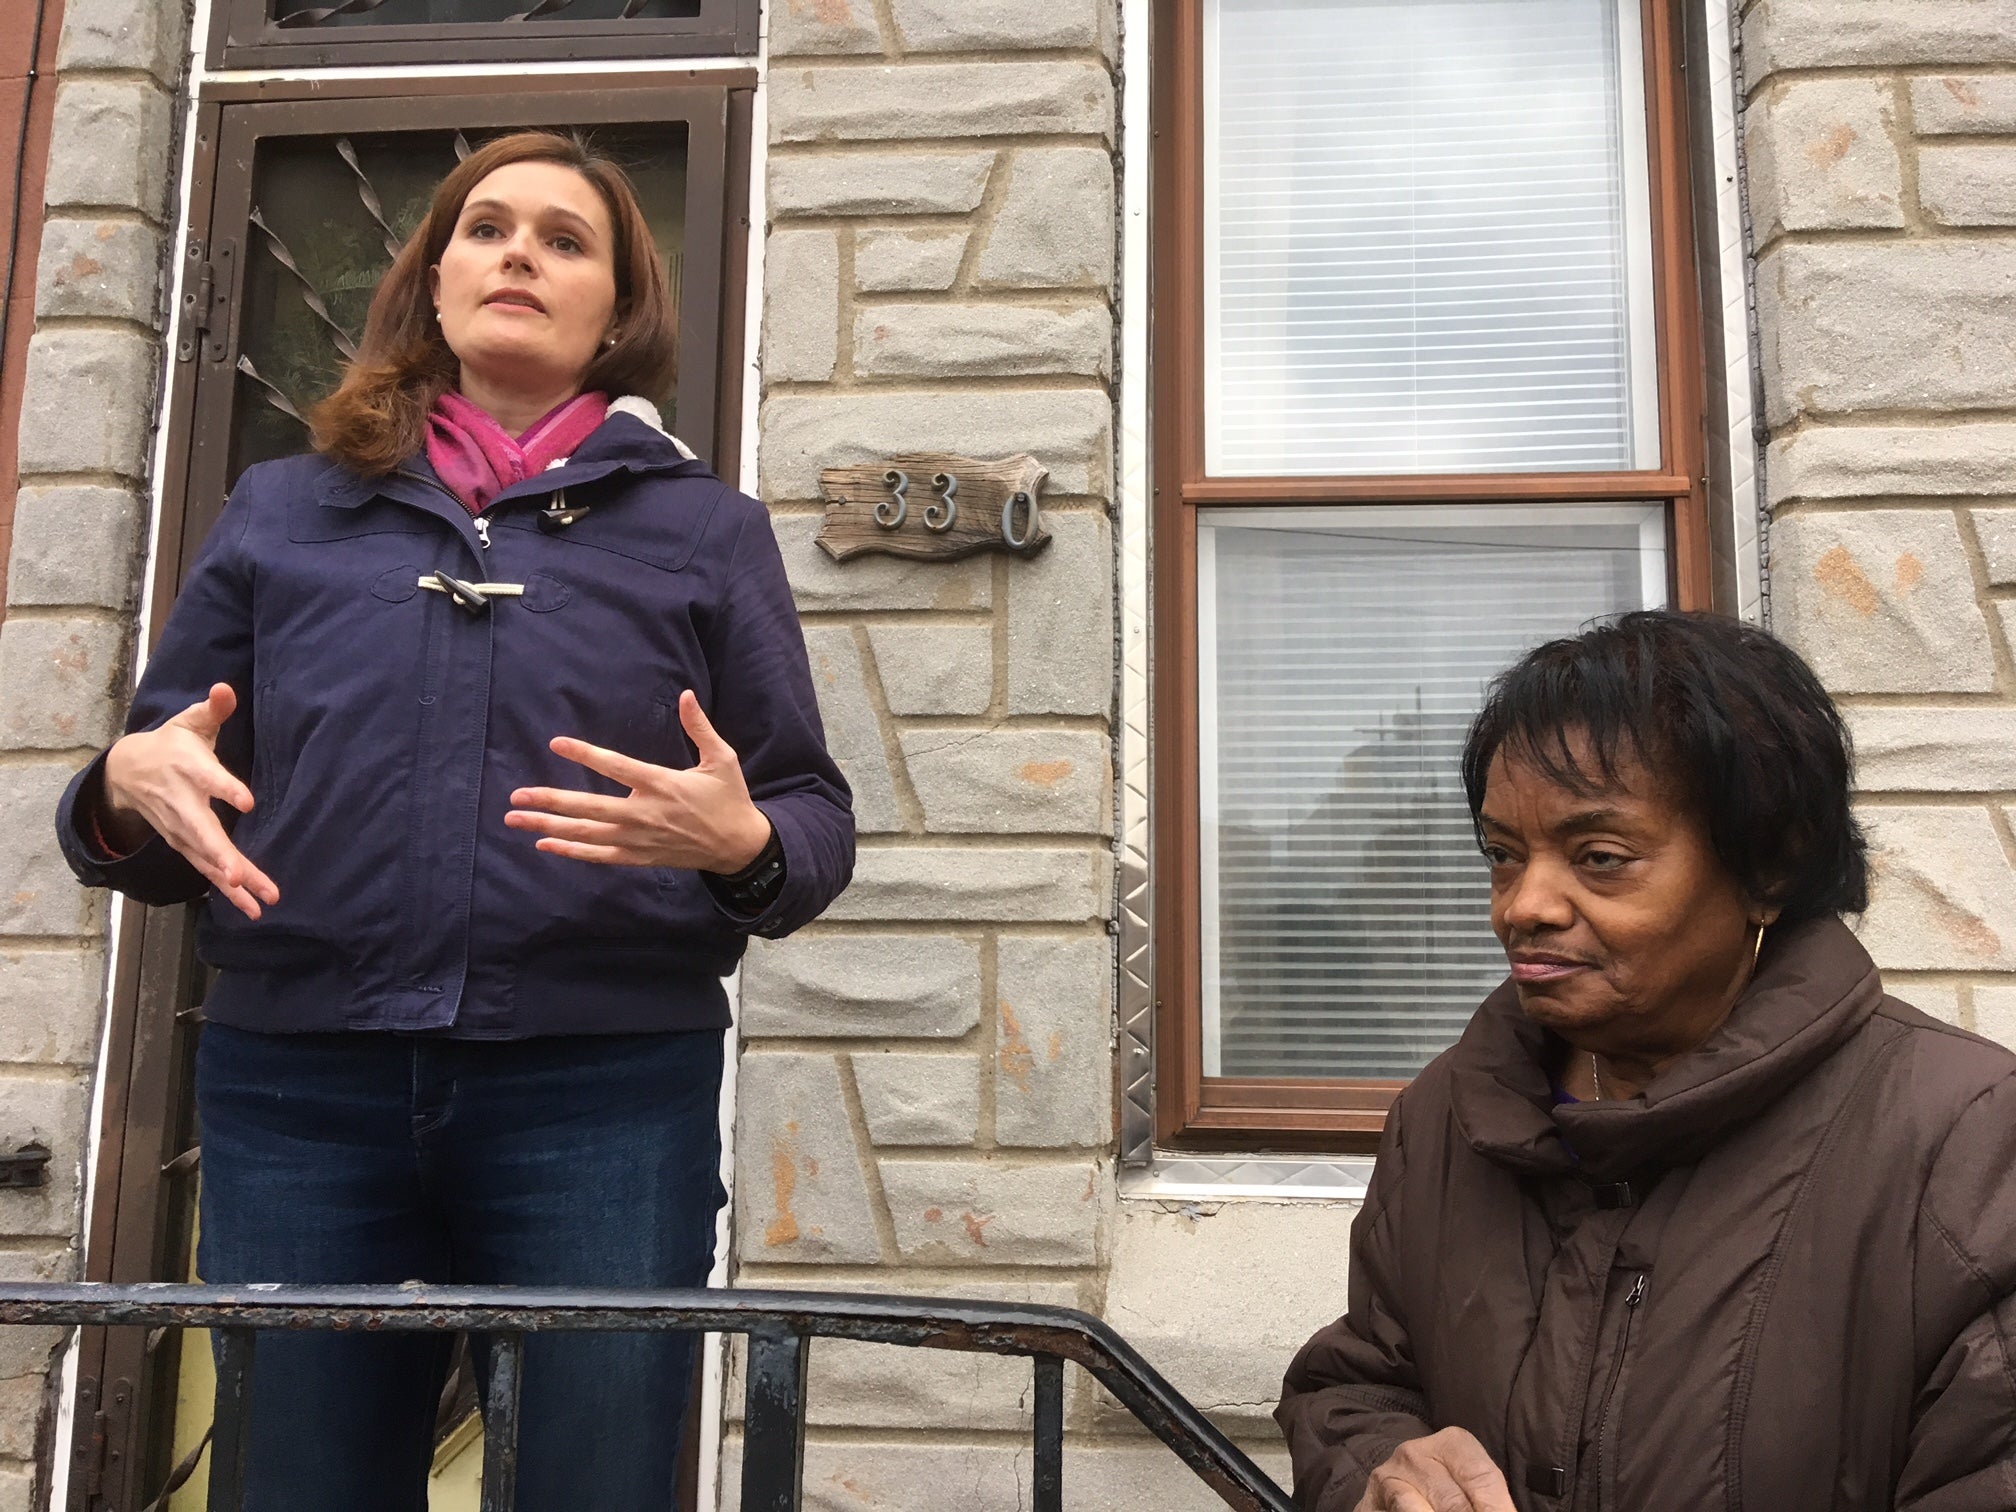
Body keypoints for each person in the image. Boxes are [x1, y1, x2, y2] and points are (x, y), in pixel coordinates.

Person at [55, 130, 854, 1512]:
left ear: (622, 306)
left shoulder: (707, 531)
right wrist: (122, 788)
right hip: (301, 1084)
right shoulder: (285, 510)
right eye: (484, 229)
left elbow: (810, 822)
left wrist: (744, 846)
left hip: (604, 1093)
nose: (519, 255)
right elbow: (152, 780)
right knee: (299, 1486)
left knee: (591, 1489)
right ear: (432, 282)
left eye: (565, 237)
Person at [1276, 610, 2016, 1512]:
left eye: (1601, 857)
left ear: (1769, 868)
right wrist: (1381, 1473)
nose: (1524, 905)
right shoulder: (1447, 1117)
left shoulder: (1965, 1142)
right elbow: (1355, 1384)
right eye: (1503, 856)